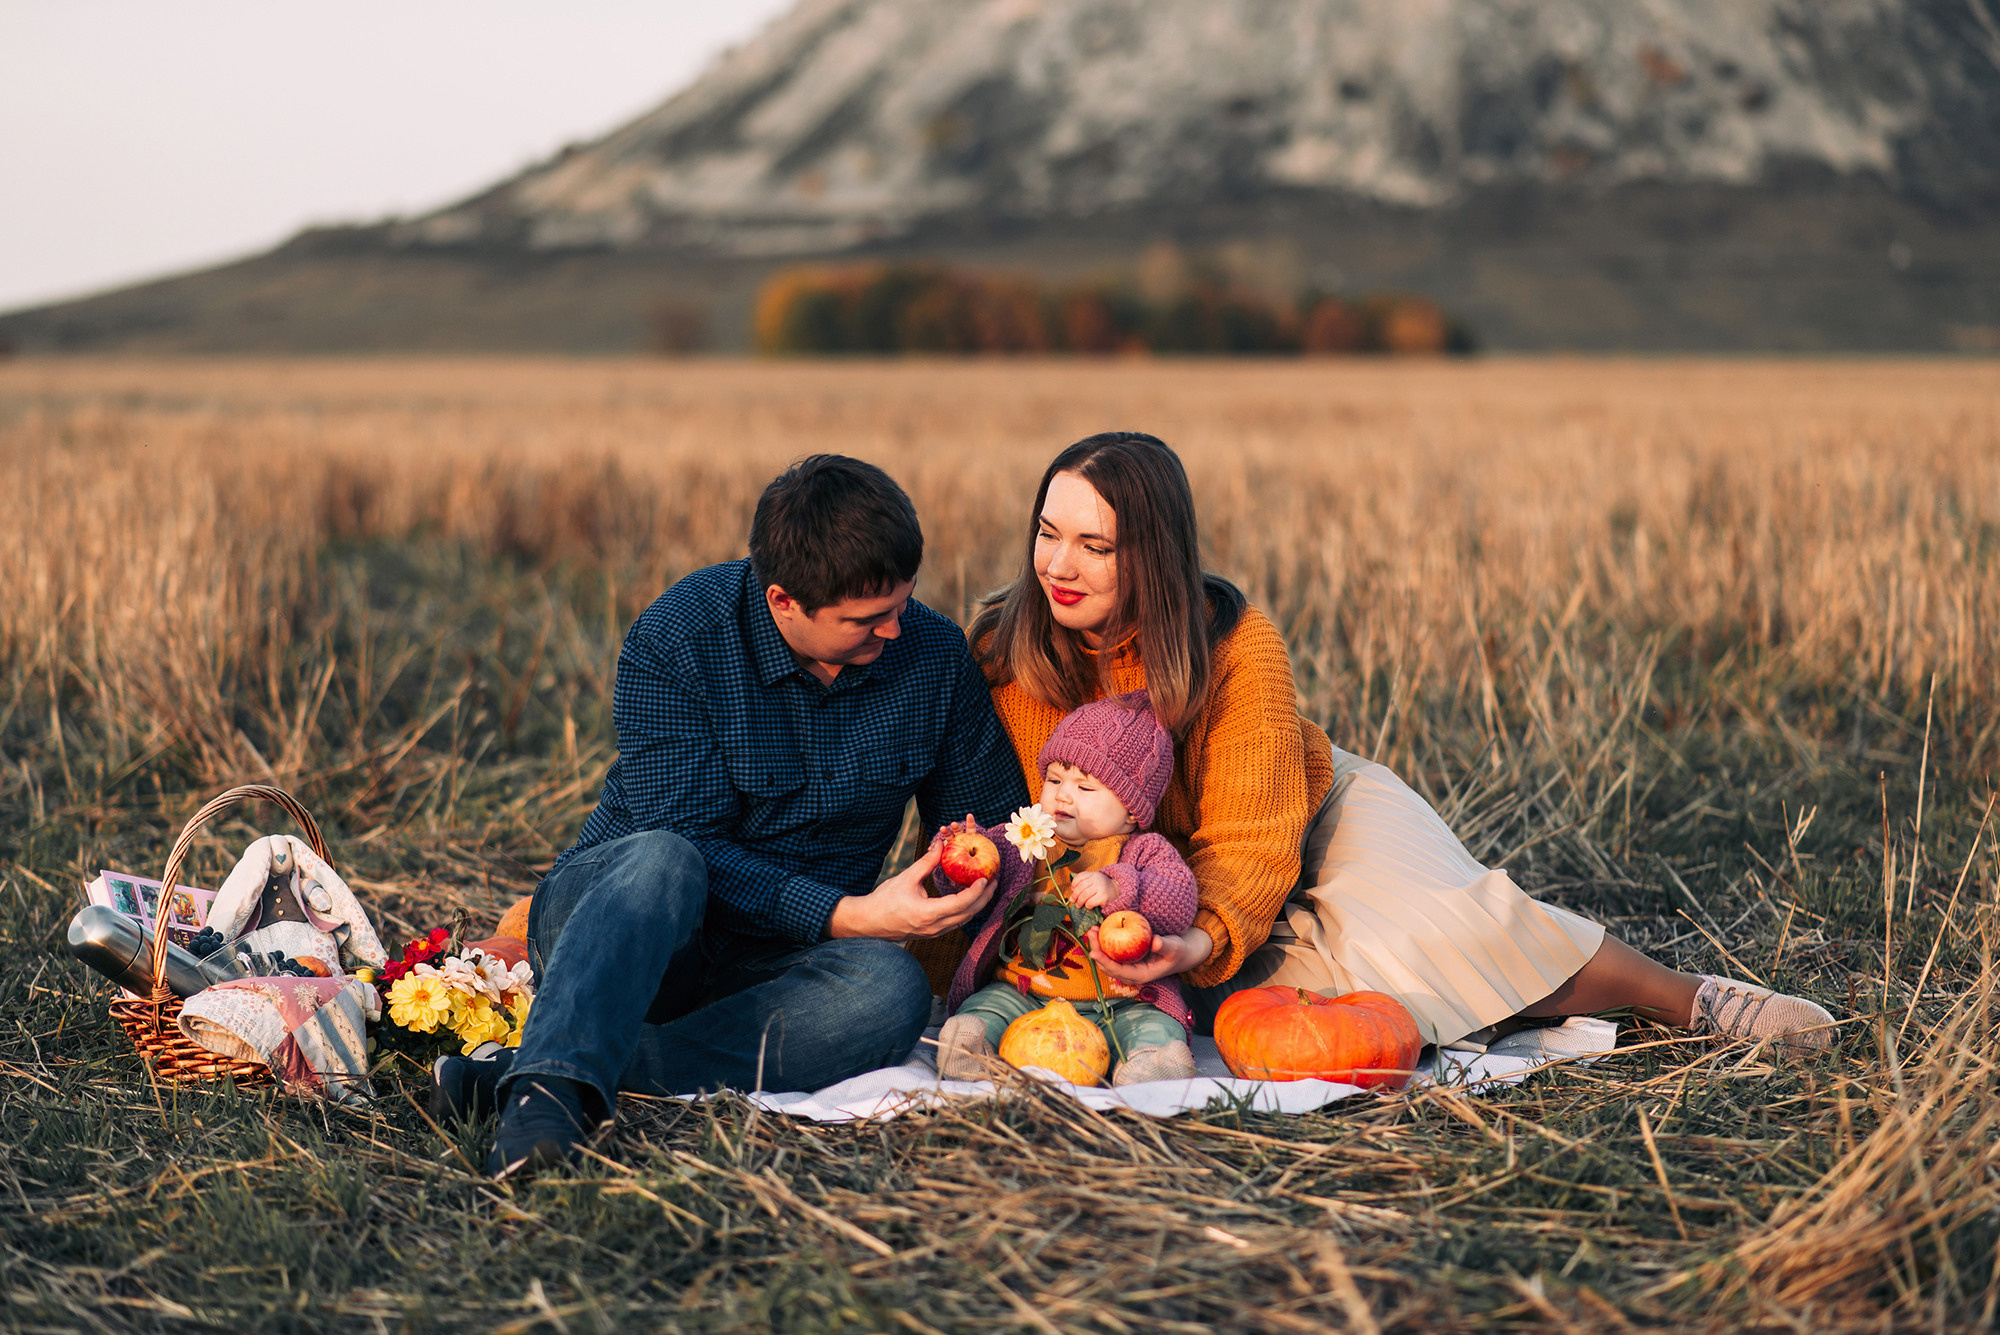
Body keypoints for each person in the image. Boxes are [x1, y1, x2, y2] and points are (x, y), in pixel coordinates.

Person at [924, 430, 1834, 1057]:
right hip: (1136, 870)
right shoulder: (1006, 652)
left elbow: (1250, 838)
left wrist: (1200, 937)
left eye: (1096, 545)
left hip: (1305, 812)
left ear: (1152, 557)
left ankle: (1686, 999)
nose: (1059, 566)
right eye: (1048, 533)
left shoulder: (1236, 645)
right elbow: (1013, 831)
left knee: (1451, 929)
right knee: (1285, 1007)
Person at [434, 455, 1030, 1177]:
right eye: (867, 620)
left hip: (777, 965)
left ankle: (549, 1072)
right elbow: (689, 848)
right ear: (784, 601)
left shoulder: (933, 658)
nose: (896, 631)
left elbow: (996, 822)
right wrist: (850, 912)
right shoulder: (678, 640)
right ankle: (544, 1112)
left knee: (891, 991)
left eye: (903, 603)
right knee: (665, 859)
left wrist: (970, 868)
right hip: (628, 930)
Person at [932, 691, 1200, 1086]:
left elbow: (1178, 902)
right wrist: (960, 863)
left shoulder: (1143, 850)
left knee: (1153, 1026)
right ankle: (972, 1049)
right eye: (1054, 779)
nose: (1062, 794)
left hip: (1122, 999)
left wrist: (1118, 887)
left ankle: (1149, 1063)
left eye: (1085, 788)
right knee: (984, 1008)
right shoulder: (1027, 838)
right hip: (1024, 989)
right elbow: (979, 879)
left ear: (1131, 810)